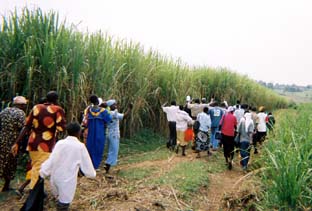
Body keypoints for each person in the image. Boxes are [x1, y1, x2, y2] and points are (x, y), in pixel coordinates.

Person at [12, 91, 66, 189]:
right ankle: (33, 194)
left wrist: (16, 142)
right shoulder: (57, 110)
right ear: (56, 100)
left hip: (32, 143)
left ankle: (36, 191)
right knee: (39, 169)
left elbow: (27, 126)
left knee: (35, 167)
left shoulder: (36, 107)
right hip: (46, 144)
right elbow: (61, 128)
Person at [40, 122, 96, 211]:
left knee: (59, 199)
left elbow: (52, 159)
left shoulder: (60, 143)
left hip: (55, 178)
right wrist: (92, 174)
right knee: (64, 203)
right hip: (67, 181)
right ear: (79, 132)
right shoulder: (80, 146)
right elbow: (88, 167)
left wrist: (43, 172)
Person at [0, 96, 27, 191]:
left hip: (2, 139)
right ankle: (6, 186)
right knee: (11, 162)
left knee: (1, 161)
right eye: (24, 105)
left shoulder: (4, 111)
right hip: (13, 141)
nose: (25, 107)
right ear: (21, 105)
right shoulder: (21, 113)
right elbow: (24, 128)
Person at [84, 95, 112, 169]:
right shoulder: (103, 111)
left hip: (90, 133)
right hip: (100, 133)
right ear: (98, 101)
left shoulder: (88, 111)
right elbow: (109, 120)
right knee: (98, 148)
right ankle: (96, 165)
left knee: (90, 147)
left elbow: (84, 121)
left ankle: (89, 165)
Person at [104, 99, 132, 173]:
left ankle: (108, 165)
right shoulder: (113, 113)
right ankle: (108, 164)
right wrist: (129, 109)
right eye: (114, 104)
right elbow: (124, 116)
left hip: (109, 133)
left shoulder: (107, 112)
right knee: (114, 150)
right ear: (110, 106)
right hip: (114, 134)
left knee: (111, 149)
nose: (116, 106)